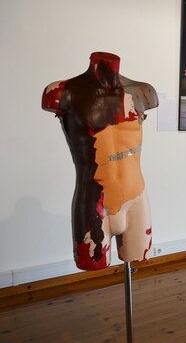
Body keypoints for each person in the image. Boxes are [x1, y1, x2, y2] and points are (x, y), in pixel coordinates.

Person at [41, 52, 158, 270]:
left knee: (138, 259)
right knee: (94, 263)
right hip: (93, 203)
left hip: (137, 199)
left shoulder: (143, 92)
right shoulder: (62, 92)